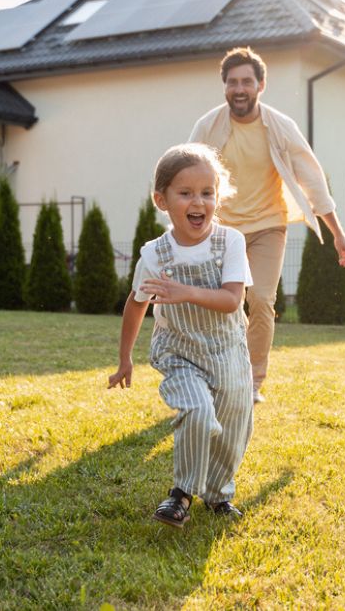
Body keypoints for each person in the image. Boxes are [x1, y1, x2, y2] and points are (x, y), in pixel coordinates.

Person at [189, 47, 345, 404]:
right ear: (224, 87)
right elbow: (185, 174)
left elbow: (313, 180)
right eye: (232, 82)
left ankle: (251, 383)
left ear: (261, 85)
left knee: (261, 299)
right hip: (220, 231)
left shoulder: (281, 127)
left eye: (247, 81)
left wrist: (337, 233)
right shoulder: (208, 126)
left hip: (268, 226)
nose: (239, 88)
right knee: (220, 306)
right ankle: (216, 373)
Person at [108, 143, 254, 528]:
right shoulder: (155, 255)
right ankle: (181, 494)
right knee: (198, 410)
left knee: (235, 423)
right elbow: (137, 304)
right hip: (180, 352)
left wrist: (184, 292)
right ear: (162, 199)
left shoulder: (231, 243)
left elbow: (231, 300)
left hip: (227, 349)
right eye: (186, 192)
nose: (199, 202)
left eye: (207, 192)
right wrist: (125, 359)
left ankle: (219, 494)